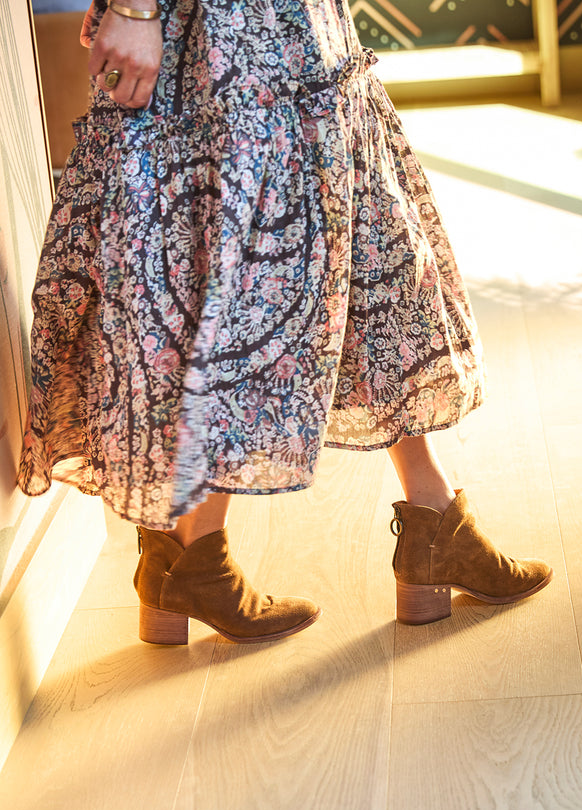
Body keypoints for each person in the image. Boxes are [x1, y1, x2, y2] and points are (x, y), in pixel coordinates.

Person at [17, 0, 553, 644]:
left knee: (346, 253)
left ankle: (194, 557)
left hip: (285, 31)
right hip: (232, 33)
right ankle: (195, 553)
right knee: (250, 273)